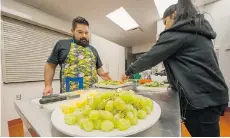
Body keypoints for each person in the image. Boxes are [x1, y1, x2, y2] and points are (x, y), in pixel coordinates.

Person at [122, 0, 229, 137]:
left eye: (165, 22)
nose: (165, 28)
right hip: (211, 94)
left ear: (174, 15)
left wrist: (128, 72)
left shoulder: (177, 33)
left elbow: (151, 57)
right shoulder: (197, 32)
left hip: (202, 99)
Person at [43, 16, 111, 95]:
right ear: (72, 31)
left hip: (92, 94)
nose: (84, 36)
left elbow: (99, 69)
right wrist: (48, 85)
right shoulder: (62, 44)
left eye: (86, 33)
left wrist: (102, 74)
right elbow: (50, 65)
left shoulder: (93, 50)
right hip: (71, 95)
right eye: (80, 32)